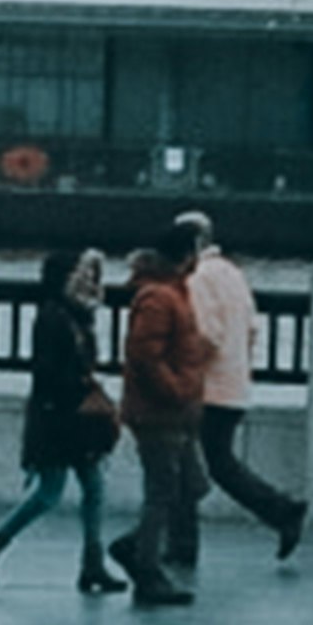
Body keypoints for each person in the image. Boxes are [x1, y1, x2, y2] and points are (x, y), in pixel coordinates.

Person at [0, 249, 129, 591]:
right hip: (63, 417)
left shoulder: (68, 314)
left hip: (61, 415)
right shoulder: (57, 318)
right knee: (60, 491)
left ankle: (86, 561)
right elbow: (48, 372)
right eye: (80, 274)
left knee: (74, 489)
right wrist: (82, 393)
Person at [179, 209, 308, 563]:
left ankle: (182, 543)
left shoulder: (198, 279)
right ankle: (280, 511)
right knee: (218, 463)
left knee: (187, 464)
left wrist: (183, 367)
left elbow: (207, 334)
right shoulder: (233, 273)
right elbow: (251, 328)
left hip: (207, 388)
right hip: (234, 384)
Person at [113, 215, 219, 603]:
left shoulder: (173, 293)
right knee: (163, 491)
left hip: (177, 411)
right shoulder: (160, 297)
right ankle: (147, 571)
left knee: (190, 485)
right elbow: (145, 355)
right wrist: (176, 390)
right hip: (160, 413)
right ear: (186, 255)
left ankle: (136, 546)